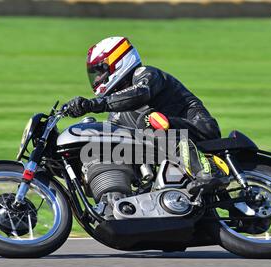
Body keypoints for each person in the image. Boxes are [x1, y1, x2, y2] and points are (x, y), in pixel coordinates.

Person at [66, 36, 224, 194]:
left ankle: (205, 170)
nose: (98, 78)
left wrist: (93, 105)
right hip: (168, 147)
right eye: (94, 74)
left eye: (100, 72)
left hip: (198, 127)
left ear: (119, 61)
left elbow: (140, 94)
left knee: (149, 120)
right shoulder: (116, 114)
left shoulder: (146, 74)